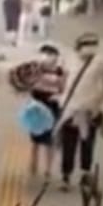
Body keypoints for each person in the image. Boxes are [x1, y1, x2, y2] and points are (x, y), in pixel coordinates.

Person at [57, 33, 103, 190]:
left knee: (87, 143)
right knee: (68, 144)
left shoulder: (100, 62)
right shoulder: (69, 59)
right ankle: (66, 176)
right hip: (70, 109)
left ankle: (85, 173)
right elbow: (63, 81)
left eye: (93, 44)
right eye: (87, 45)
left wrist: (97, 103)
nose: (90, 48)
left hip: (89, 110)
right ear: (78, 47)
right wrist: (62, 99)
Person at [27, 44, 66, 180]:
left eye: (51, 54)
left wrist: (59, 96)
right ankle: (33, 165)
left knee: (50, 139)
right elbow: (28, 84)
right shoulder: (36, 69)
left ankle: (48, 169)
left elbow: (63, 88)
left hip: (52, 106)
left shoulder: (59, 71)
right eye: (45, 54)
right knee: (35, 138)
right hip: (37, 106)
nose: (47, 57)